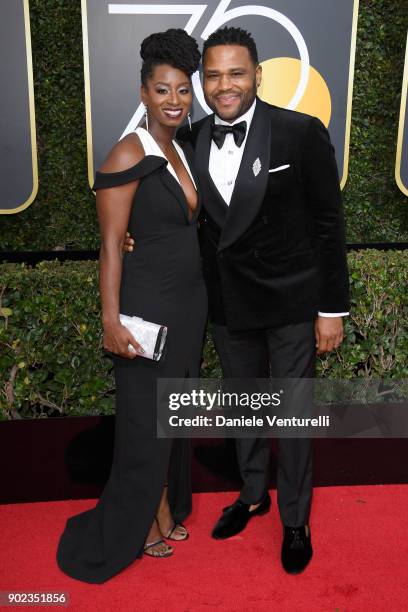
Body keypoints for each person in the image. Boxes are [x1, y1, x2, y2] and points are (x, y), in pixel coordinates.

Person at [124, 26, 350, 574]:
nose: (225, 85)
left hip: (292, 303)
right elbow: (166, 205)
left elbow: (327, 225)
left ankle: (294, 520)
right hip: (227, 307)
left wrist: (331, 310)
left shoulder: (300, 132)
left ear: (257, 76)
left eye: (237, 73)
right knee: (245, 409)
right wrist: (134, 235)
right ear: (202, 81)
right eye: (214, 75)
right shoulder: (190, 138)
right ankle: (253, 496)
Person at [56, 29, 206, 584]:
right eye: (162, 89)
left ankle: (164, 506)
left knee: (173, 418)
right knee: (145, 422)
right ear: (143, 92)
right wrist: (109, 320)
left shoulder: (180, 151)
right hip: (146, 313)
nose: (174, 100)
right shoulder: (129, 150)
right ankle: (137, 522)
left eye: (183, 90)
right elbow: (111, 244)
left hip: (190, 307)